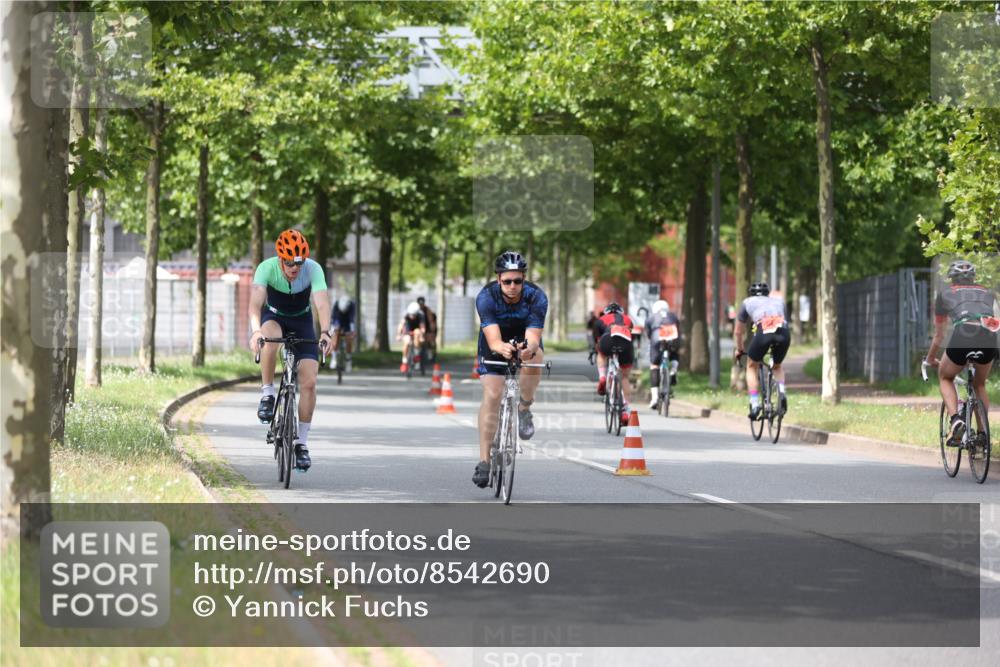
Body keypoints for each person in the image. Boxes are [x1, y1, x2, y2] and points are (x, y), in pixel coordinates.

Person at [248, 229, 331, 471]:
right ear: (280, 259)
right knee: (270, 337)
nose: (294, 268)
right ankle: (267, 393)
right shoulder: (266, 268)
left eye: (299, 263)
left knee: (310, 382)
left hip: (302, 322)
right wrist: (256, 331)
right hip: (274, 317)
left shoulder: (314, 270)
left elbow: (322, 303)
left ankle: (301, 444)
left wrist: (326, 332)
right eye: (289, 263)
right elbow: (255, 305)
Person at [472, 250, 548, 488]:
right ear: (498, 280)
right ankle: (484, 461)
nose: (513, 286)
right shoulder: (486, 297)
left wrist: (528, 349)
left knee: (536, 357)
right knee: (493, 394)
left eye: (518, 281)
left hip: (524, 339)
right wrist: (501, 348)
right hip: (494, 341)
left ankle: (524, 407)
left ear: (524, 280)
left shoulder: (537, 297)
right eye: (507, 281)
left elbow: (534, 337)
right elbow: (493, 340)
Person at [925, 260, 998, 444]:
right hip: (989, 335)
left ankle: (956, 421)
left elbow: (939, 335)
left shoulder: (944, 294)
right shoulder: (989, 293)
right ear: (973, 278)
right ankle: (982, 435)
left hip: (963, 333)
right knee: (979, 384)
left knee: (945, 376)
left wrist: (931, 358)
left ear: (951, 278)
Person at [733, 282, 790, 419]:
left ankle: (755, 403)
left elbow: (738, 332)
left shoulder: (747, 302)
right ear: (767, 293)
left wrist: (740, 349)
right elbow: (784, 320)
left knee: (752, 365)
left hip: (764, 330)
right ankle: (781, 392)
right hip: (783, 332)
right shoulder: (779, 302)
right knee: (777, 366)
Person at [594, 302, 636, 424]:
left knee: (601, 353)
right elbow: (630, 335)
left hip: (607, 339)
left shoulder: (600, 320)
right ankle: (625, 409)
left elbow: (597, 341)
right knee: (624, 376)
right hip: (625, 343)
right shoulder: (628, 319)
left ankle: (602, 376)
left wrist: (596, 350)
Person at [645, 299, 682, 409]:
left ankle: (655, 398)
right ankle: (673, 370)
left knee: (654, 365)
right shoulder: (673, 316)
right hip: (673, 335)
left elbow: (648, 333)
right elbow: (678, 328)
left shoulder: (651, 318)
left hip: (657, 337)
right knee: (675, 352)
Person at [328, 294, 356, 372]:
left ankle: (348, 359)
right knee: (335, 334)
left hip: (348, 322)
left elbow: (351, 321)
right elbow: (333, 320)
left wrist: (352, 332)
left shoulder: (352, 306)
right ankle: (334, 358)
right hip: (338, 321)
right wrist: (332, 331)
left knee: (349, 338)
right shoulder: (336, 305)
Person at [396, 301, 425, 373]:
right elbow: (401, 325)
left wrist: (422, 335)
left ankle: (416, 353)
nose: (412, 316)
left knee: (417, 333)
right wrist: (398, 334)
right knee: (406, 342)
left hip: (417, 329)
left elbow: (422, 327)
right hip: (408, 329)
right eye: (411, 315)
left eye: (414, 315)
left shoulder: (421, 315)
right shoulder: (406, 314)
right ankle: (404, 361)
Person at [416, 296, 438, 363]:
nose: (421, 305)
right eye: (420, 304)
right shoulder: (415, 310)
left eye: (422, 304)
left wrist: (432, 332)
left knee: (430, 340)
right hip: (419, 327)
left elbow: (431, 321)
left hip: (428, 327)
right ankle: (416, 354)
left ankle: (431, 353)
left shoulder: (427, 310)